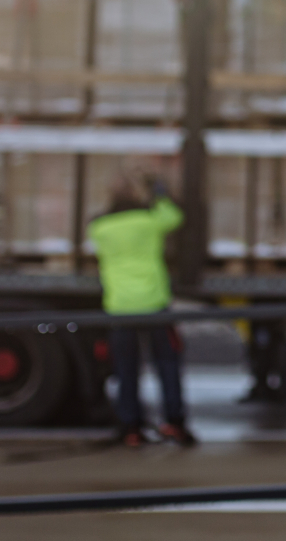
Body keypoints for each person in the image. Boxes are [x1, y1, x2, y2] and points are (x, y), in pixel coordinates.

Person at [88, 162, 198, 448]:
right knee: (167, 364)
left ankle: (131, 428)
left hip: (119, 307)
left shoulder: (101, 228)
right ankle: (174, 422)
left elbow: (93, 228)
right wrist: (159, 191)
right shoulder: (150, 222)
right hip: (153, 304)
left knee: (126, 370)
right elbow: (175, 217)